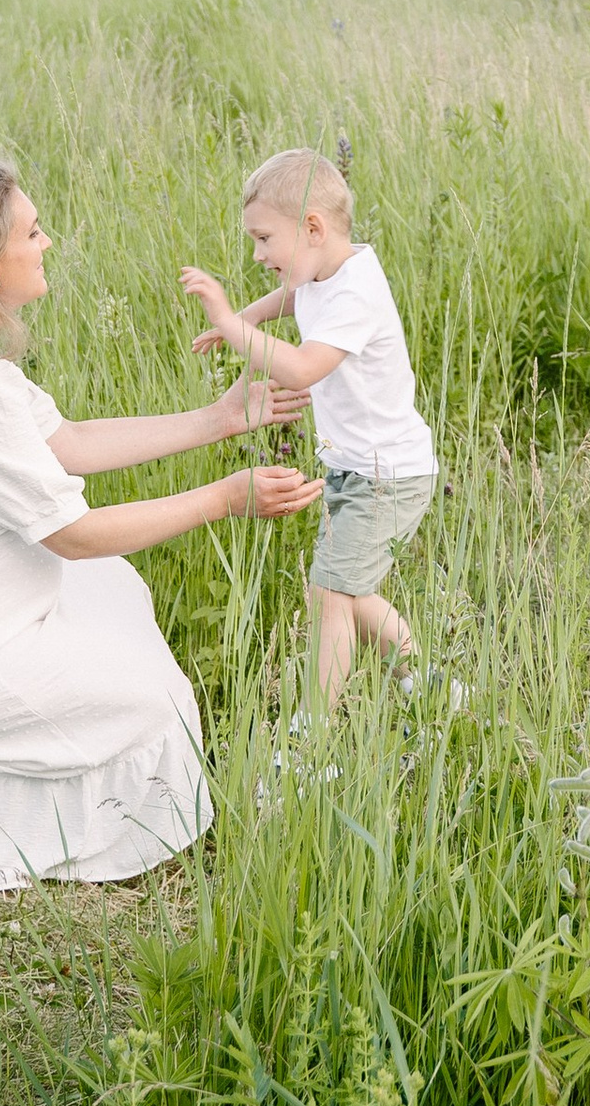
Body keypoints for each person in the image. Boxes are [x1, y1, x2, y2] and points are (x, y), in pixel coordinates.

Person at [0, 157, 319, 888]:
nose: (47, 243)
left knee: (111, 589)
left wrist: (221, 418)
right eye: (34, 231)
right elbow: (69, 534)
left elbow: (68, 443)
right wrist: (223, 498)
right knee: (160, 707)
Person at [179, 148, 436, 704]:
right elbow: (295, 298)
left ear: (313, 228)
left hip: (386, 474)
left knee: (328, 593)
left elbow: (301, 367)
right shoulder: (328, 269)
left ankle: (315, 733)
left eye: (264, 239)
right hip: (354, 469)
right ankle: (429, 685)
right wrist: (246, 319)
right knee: (353, 589)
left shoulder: (356, 293)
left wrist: (226, 317)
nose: (255, 253)